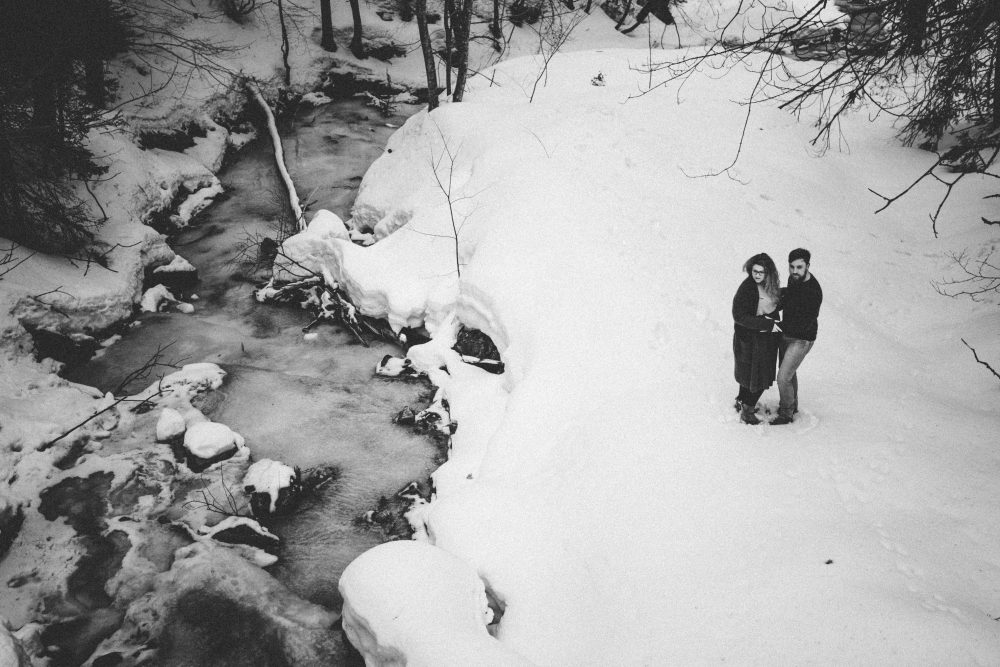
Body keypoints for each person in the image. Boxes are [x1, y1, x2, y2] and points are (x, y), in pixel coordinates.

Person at [771, 248, 823, 425]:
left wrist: (778, 326)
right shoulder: (794, 279)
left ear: (808, 266)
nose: (795, 271)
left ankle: (786, 413)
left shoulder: (814, 292)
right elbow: (790, 297)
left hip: (802, 339)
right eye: (791, 267)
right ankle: (792, 406)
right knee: (789, 373)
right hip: (787, 334)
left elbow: (805, 322)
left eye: (799, 267)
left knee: (783, 377)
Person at [732, 253, 782, 425]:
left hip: (764, 339)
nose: (757, 275)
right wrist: (766, 325)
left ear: (768, 273)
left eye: (761, 272)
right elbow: (739, 315)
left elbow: (773, 302)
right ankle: (747, 410)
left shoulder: (769, 285)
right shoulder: (747, 288)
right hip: (751, 340)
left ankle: (742, 401)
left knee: (750, 375)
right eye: (755, 271)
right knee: (757, 376)